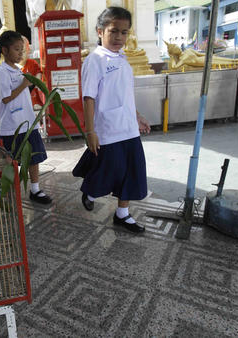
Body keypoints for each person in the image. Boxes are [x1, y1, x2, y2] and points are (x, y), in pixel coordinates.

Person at [80, 7, 151, 233]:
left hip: (129, 128)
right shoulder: (95, 60)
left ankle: (122, 214)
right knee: (110, 169)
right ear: (100, 31)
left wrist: (137, 116)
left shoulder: (123, 60)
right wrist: (90, 131)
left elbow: (125, 95)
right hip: (108, 128)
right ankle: (90, 191)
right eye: (114, 31)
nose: (119, 37)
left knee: (132, 171)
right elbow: (89, 97)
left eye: (124, 32)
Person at [0, 30, 52, 205]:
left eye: (22, 49)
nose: (20, 53)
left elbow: (21, 93)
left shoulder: (20, 70)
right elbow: (6, 97)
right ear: (5, 51)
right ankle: (9, 190)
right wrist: (24, 84)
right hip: (13, 125)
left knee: (34, 157)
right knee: (12, 159)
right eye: (16, 49)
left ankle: (35, 189)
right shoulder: (2, 72)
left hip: (28, 121)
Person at [18, 36, 44, 109]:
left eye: (23, 52)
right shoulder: (13, 67)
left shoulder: (32, 63)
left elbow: (39, 72)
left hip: (32, 90)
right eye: (17, 52)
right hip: (20, 93)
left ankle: (35, 103)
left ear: (28, 51)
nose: (20, 55)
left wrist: (37, 81)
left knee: (35, 91)